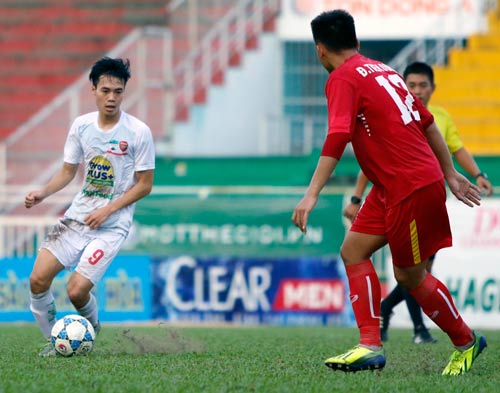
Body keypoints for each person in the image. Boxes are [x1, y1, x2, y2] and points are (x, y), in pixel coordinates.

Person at [292, 10, 487, 375]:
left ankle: (466, 341)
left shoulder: (341, 78)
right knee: (353, 250)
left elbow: (338, 135)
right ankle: (370, 345)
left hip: (409, 187)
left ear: (320, 50)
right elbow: (428, 125)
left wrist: (311, 194)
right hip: (394, 186)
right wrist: (450, 173)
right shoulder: (384, 71)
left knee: (409, 276)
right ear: (357, 42)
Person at [343, 61, 493, 345]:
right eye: (411, 85)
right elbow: (372, 159)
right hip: (394, 193)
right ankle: (411, 330)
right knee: (410, 270)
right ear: (402, 84)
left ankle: (426, 329)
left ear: (433, 88)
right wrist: (356, 197)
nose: (417, 90)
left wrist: (475, 174)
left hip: (421, 193)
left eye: (423, 85)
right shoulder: (392, 104)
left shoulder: (439, 118)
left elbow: (457, 149)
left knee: (414, 271)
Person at [25, 57, 155, 357]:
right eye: (106, 90)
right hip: (78, 217)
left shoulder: (138, 132)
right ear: (93, 89)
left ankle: (91, 329)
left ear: (124, 93)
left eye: (118, 92)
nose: (111, 97)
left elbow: (145, 185)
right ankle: (53, 343)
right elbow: (68, 172)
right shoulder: (81, 126)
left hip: (112, 225)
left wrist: (108, 210)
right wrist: (42, 193)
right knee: (37, 280)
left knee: (76, 291)